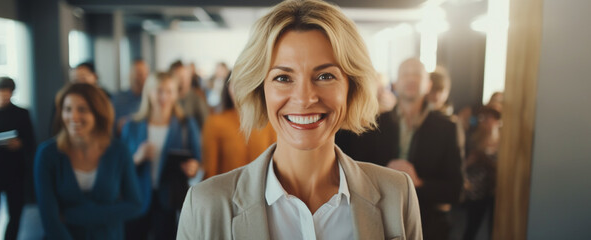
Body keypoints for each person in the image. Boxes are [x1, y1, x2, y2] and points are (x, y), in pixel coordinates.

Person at [177, 1, 422, 239]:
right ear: (260, 89)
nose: (305, 99)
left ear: (352, 87)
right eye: (283, 78)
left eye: (325, 76)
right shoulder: (205, 204)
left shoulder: (397, 193)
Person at [336, 58, 463, 240]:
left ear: (428, 85)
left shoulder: (448, 128)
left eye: (417, 75)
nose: (411, 79)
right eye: (405, 74)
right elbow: (354, 174)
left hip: (429, 223)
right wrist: (383, 174)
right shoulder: (372, 125)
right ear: (395, 84)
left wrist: (419, 182)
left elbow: (456, 190)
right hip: (378, 220)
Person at [34, 83, 142, 239]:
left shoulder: (119, 152)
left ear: (98, 113)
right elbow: (50, 219)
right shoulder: (47, 154)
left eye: (82, 109)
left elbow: (135, 205)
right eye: (67, 109)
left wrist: (74, 215)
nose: (73, 117)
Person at [121, 72, 202, 240]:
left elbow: (197, 162)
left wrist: (193, 168)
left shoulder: (186, 125)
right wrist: (137, 157)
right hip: (136, 198)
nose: (164, 96)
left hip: (170, 199)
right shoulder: (132, 126)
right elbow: (120, 167)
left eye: (169, 91)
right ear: (148, 93)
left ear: (175, 95)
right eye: (159, 91)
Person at [202, 75, 276, 179]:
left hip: (263, 192)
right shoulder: (215, 122)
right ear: (228, 88)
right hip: (227, 192)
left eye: (245, 83)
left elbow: (276, 166)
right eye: (235, 84)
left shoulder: (269, 122)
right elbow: (210, 171)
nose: (240, 90)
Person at [0, 77, 35, 240]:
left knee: (15, 214)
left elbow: (31, 141)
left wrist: (20, 144)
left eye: (7, 95)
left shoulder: (21, 113)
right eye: (0, 94)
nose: (3, 98)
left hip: (14, 171)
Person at [462, 106, 501, 240]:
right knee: (472, 225)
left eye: (491, 118)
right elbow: (463, 164)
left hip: (496, 191)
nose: (487, 121)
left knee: (494, 227)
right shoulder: (473, 139)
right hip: (477, 190)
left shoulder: (504, 143)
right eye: (485, 118)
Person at [112, 59, 150, 136]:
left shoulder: (151, 99)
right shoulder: (118, 98)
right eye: (139, 74)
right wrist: (118, 126)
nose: (143, 78)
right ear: (130, 75)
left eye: (145, 74)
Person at [169, 61, 209, 129]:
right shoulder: (169, 98)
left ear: (190, 78)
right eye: (180, 77)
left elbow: (205, 123)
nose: (183, 80)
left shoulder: (197, 98)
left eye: (185, 77)